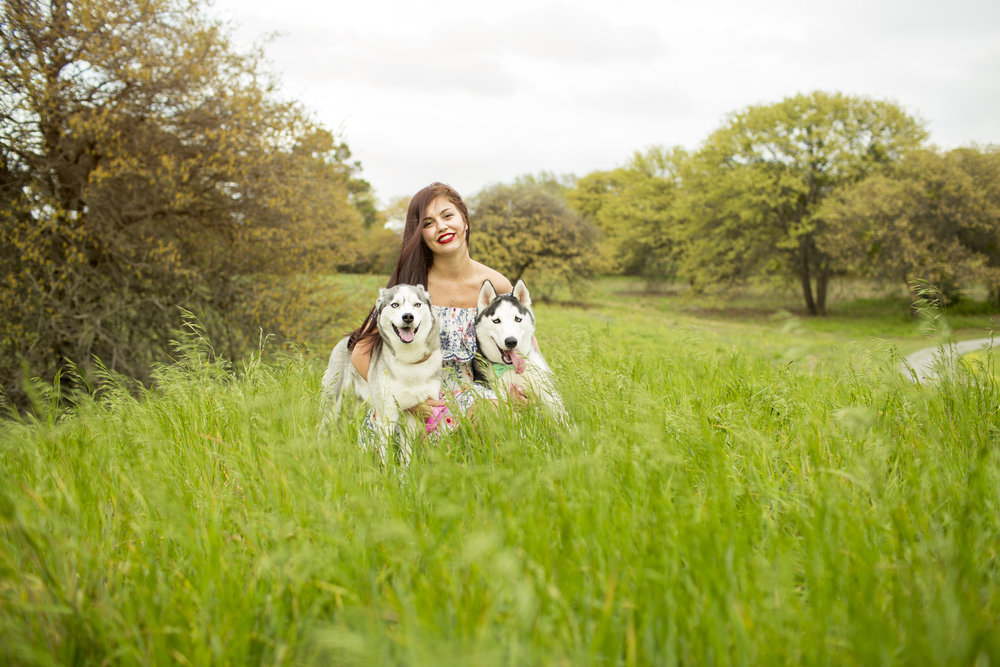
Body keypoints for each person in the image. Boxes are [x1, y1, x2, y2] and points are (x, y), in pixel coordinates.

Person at [345, 182, 513, 442]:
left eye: (448, 216)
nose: (442, 227)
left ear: (464, 219)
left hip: (469, 393)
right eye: (428, 223)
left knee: (490, 413)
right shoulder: (412, 286)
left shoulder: (496, 285)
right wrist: (405, 401)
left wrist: (521, 388)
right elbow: (361, 351)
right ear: (421, 235)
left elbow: (523, 343)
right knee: (413, 447)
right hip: (415, 396)